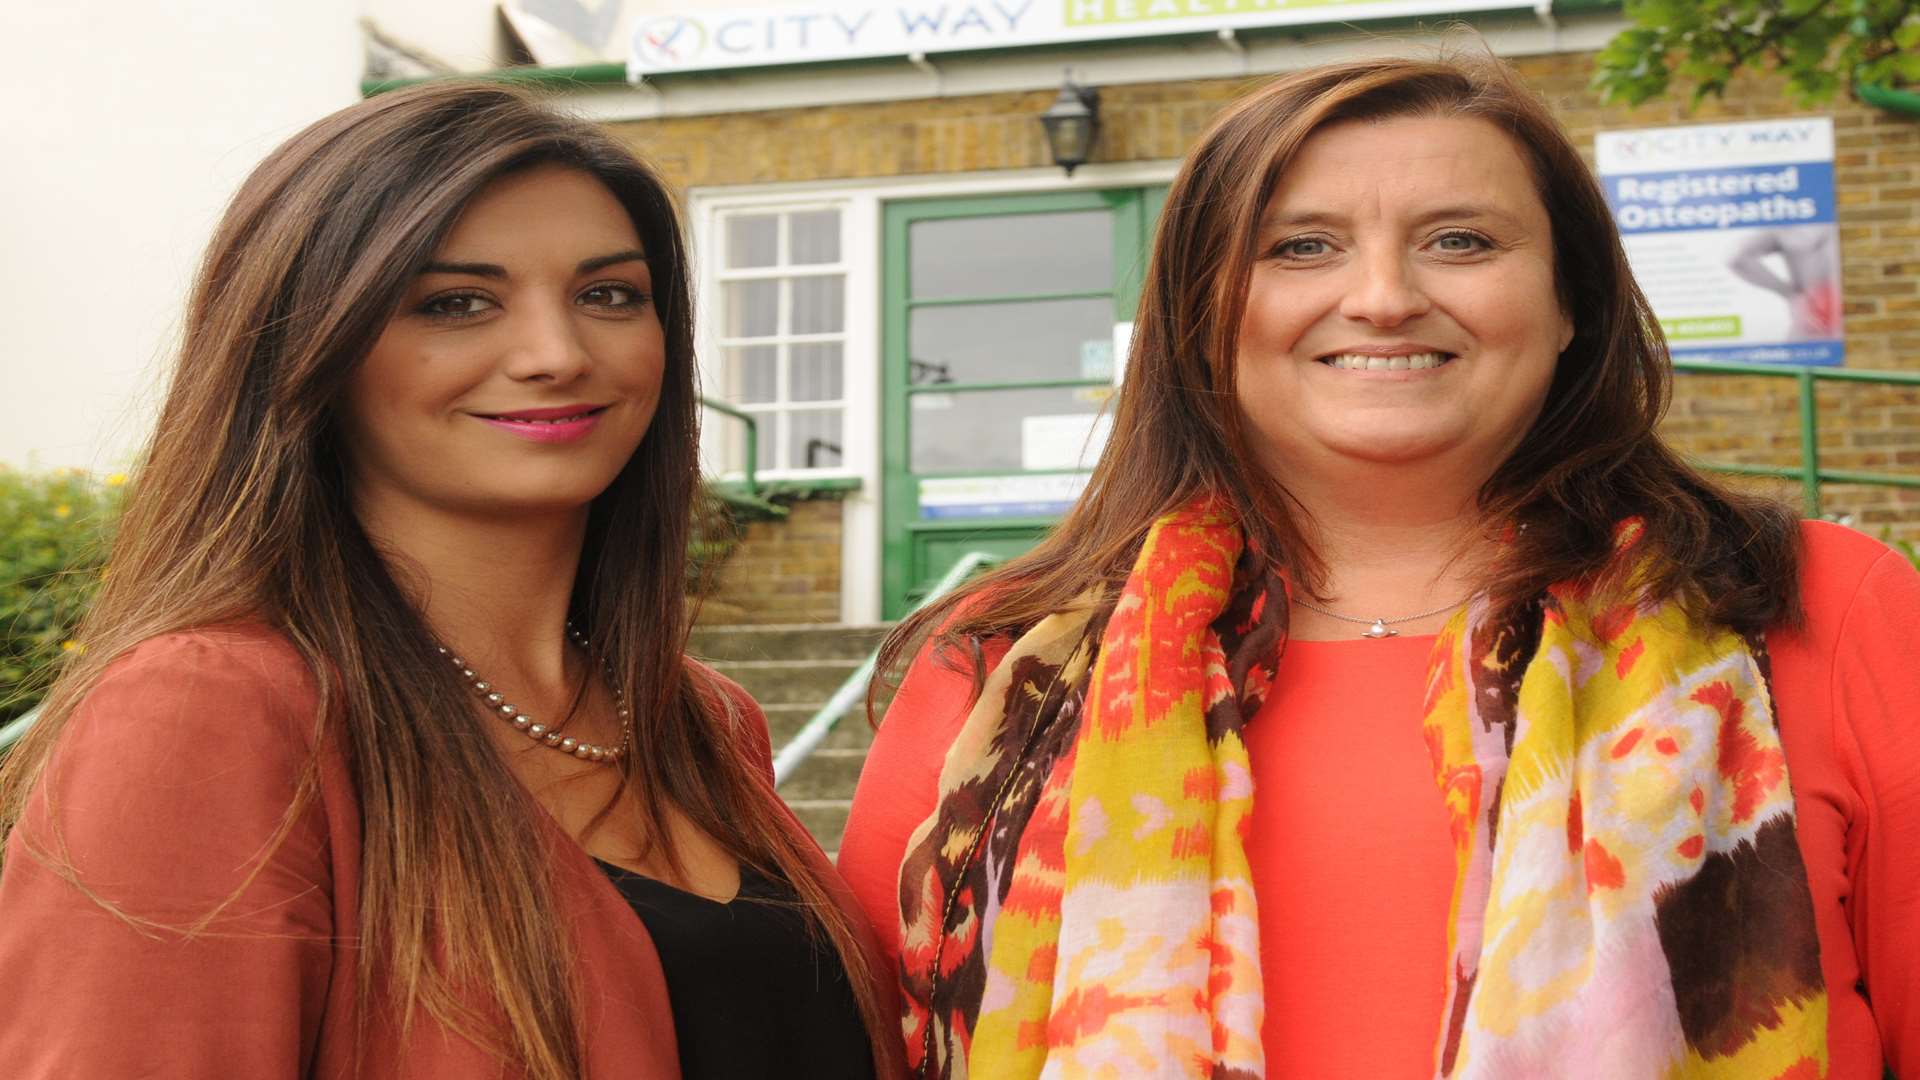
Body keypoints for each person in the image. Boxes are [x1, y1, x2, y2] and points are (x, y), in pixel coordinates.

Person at [839, 55, 1917, 1080]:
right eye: (1301, 247)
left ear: (1570, 305)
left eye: (1461, 240)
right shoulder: (998, 664)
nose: (1385, 296)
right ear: (1201, 317)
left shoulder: (1827, 608)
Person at [0, 82, 902, 1080]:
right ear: (310, 351)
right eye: (454, 303)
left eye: (609, 295)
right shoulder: (211, 712)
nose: (558, 354)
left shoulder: (699, 720)